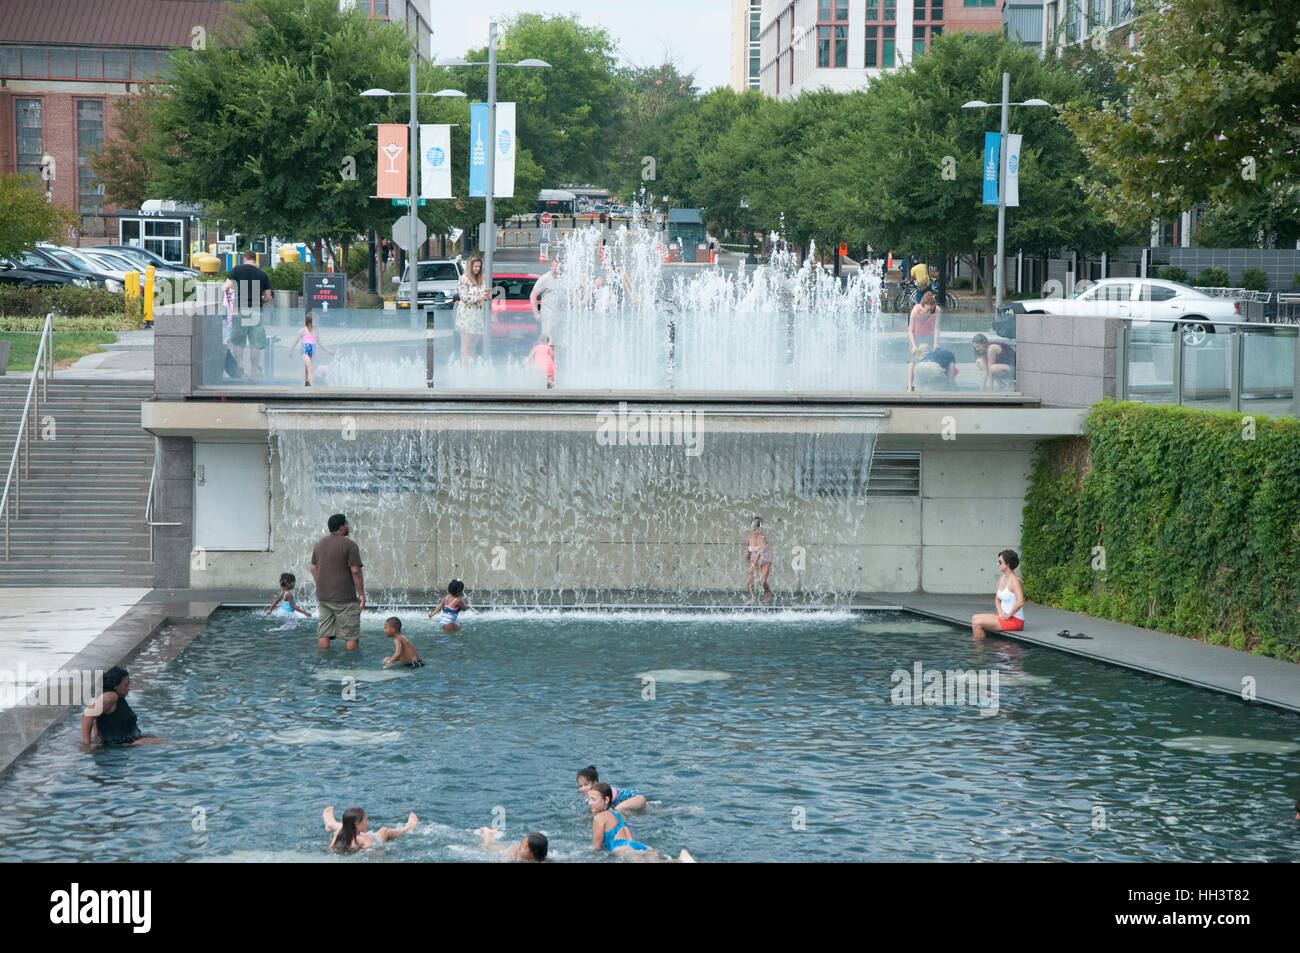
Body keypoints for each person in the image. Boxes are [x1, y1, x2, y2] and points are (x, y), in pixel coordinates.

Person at [587, 783, 694, 862]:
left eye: (593, 799)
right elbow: (630, 840)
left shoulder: (599, 817)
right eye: (589, 799)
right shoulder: (620, 815)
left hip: (623, 850)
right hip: (638, 846)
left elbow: (596, 848)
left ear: (606, 800)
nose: (590, 803)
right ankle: (681, 858)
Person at [311, 514, 365, 652]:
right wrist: (361, 594)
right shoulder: (350, 545)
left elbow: (313, 567)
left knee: (324, 633)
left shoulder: (319, 544)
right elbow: (355, 571)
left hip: (323, 596)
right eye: (347, 524)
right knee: (351, 636)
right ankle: (350, 666)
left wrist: (320, 585)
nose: (348, 526)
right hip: (344, 598)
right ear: (341, 527)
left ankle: (323, 664)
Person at [80, 667, 171, 747]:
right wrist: (87, 743)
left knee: (166, 741)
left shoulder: (117, 697)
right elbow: (88, 714)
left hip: (129, 740)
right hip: (122, 744)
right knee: (173, 743)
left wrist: (96, 735)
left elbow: (98, 716)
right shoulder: (110, 697)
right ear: (115, 685)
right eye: (126, 685)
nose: (129, 688)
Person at [222, 250, 273, 380]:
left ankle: (240, 366)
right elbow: (268, 297)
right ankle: (254, 372)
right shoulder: (263, 274)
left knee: (239, 341)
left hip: (240, 310)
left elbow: (225, 287)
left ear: (244, 259)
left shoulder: (237, 270)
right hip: (256, 311)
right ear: (255, 260)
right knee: (255, 344)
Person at [971, 550, 1026, 639]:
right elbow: (997, 599)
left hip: (1015, 620)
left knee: (977, 622)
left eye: (1000, 562)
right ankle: (979, 645)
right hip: (1004, 616)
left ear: (1007, 564)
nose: (997, 564)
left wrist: (1008, 615)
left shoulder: (1015, 581)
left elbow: (1020, 602)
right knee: (974, 618)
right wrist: (1000, 613)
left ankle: (979, 649)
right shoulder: (1002, 578)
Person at [324, 806, 418, 852]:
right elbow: (374, 854)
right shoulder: (365, 839)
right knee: (384, 830)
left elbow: (331, 849)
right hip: (370, 843)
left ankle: (331, 823)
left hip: (350, 839)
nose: (368, 822)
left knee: (341, 826)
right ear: (358, 823)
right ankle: (407, 828)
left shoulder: (339, 833)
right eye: (366, 819)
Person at [455, 254, 491, 363]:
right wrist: (479, 298)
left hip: (478, 316)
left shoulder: (481, 279)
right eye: (475, 266)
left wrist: (487, 296)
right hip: (466, 316)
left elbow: (483, 296)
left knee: (473, 345)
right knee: (466, 343)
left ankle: (472, 366)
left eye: (479, 267)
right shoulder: (464, 279)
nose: (477, 269)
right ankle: (465, 367)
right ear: (470, 266)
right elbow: (464, 297)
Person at [906, 292, 943, 391]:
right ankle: (910, 386)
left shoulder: (937, 310)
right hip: (916, 336)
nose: (929, 312)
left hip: (929, 335)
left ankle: (929, 384)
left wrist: (935, 342)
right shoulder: (915, 310)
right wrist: (914, 346)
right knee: (912, 360)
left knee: (929, 359)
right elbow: (910, 330)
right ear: (922, 306)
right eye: (927, 310)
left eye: (932, 309)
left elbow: (937, 328)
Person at [576, 766, 647, 811]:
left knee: (616, 811)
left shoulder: (601, 791)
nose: (583, 788)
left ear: (595, 783)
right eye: (580, 786)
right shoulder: (594, 795)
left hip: (638, 798)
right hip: (631, 801)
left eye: (586, 784)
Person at [530, 257, 565, 341]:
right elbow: (533, 295)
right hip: (548, 316)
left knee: (559, 341)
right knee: (548, 340)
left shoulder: (564, 279)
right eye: (555, 267)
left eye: (560, 268)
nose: (557, 270)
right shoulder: (545, 278)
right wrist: (536, 314)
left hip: (561, 316)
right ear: (551, 267)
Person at [288, 311, 326, 387]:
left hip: (313, 350)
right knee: (309, 367)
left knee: (308, 368)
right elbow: (295, 341)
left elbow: (320, 344)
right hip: (305, 349)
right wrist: (291, 350)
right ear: (310, 322)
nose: (317, 323)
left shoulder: (315, 331)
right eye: (316, 321)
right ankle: (311, 385)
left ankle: (306, 382)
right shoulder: (303, 330)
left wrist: (328, 351)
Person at [745, 517, 773, 605]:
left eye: (756, 529)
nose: (754, 531)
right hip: (756, 562)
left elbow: (759, 553)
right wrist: (748, 555)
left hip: (765, 562)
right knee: (749, 579)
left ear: (759, 528)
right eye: (753, 529)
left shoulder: (763, 538)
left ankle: (768, 592)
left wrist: (752, 565)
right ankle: (752, 598)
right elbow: (750, 549)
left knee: (762, 581)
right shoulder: (749, 538)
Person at [477, 827, 549, 862]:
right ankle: (488, 834)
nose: (518, 847)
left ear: (532, 853)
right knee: (486, 847)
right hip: (506, 853)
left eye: (522, 847)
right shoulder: (515, 856)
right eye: (521, 845)